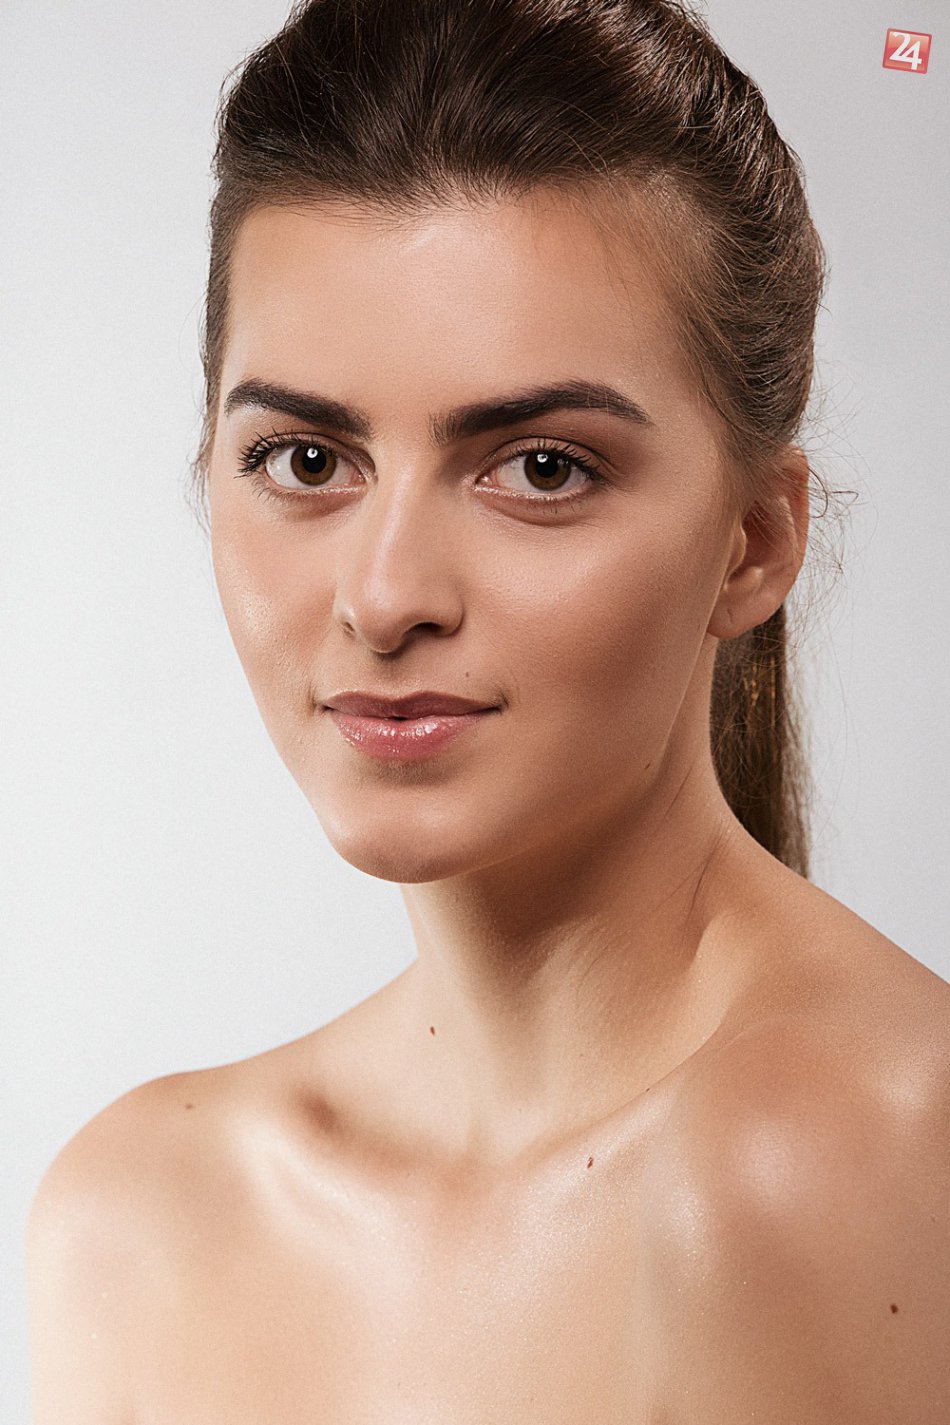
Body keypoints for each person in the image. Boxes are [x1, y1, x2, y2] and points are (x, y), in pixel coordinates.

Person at [26, 0, 950, 1419]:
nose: (385, 596)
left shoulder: (844, 1153)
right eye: (305, 457)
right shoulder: (136, 1217)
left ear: (753, 543)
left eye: (540, 468)